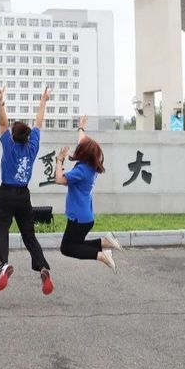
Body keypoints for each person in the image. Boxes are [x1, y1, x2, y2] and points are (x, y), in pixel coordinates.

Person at [0, 86, 54, 295]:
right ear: (27, 136)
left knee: (2, 229)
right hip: (23, 196)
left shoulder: (8, 145)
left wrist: (1, 102)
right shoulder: (32, 146)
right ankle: (43, 267)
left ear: (13, 136)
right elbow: (39, 122)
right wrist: (43, 101)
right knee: (29, 235)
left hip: (6, 193)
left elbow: (3, 123)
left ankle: (3, 264)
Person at [54, 115, 124, 272]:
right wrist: (81, 127)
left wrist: (59, 160)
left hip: (78, 218)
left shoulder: (81, 171)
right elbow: (83, 142)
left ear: (83, 153)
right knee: (75, 245)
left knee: (67, 248)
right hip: (85, 217)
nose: (77, 148)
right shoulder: (91, 165)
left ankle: (102, 255)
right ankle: (105, 242)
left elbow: (59, 179)